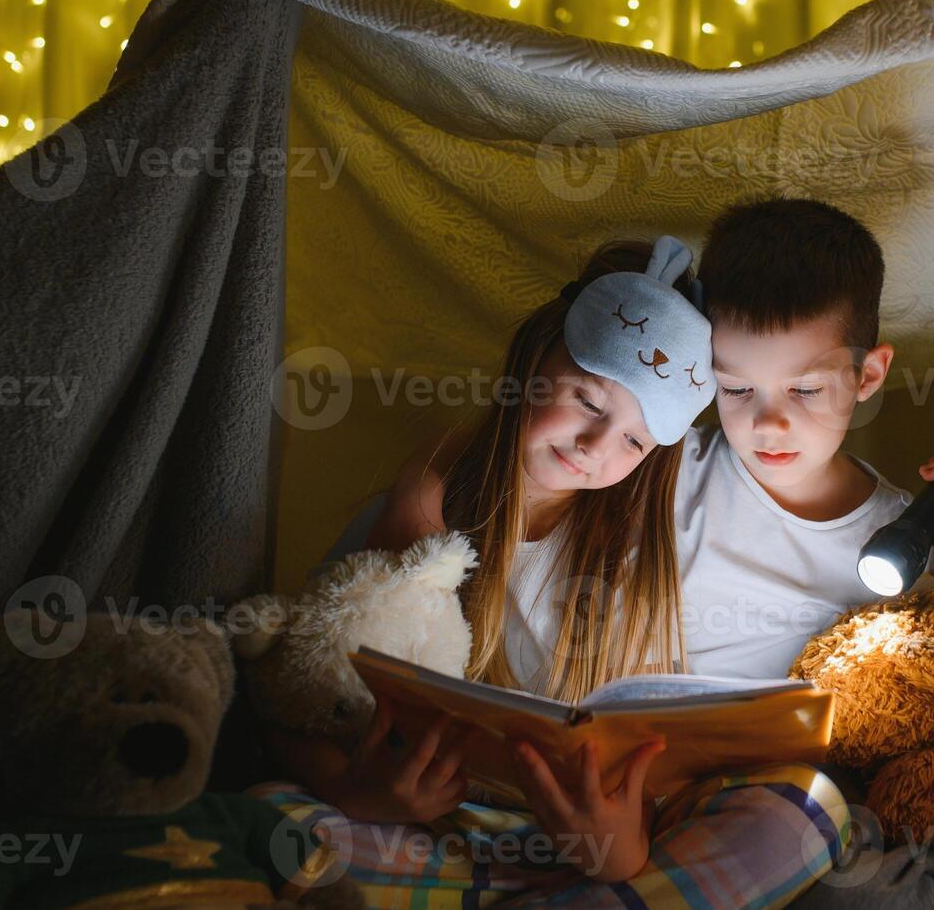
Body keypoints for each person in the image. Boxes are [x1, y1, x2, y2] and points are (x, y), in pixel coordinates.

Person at [254, 236, 853, 907]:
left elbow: (647, 787)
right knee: (274, 817)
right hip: (441, 833)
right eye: (589, 402)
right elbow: (295, 699)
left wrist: (617, 848)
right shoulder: (433, 502)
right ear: (533, 359)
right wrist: (350, 790)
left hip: (598, 853)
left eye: (633, 440)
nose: (595, 447)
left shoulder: (638, 545)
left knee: (804, 812)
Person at [676, 196, 934, 682]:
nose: (768, 424)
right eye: (736, 388)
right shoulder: (676, 473)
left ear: (867, 375)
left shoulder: (901, 542)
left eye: (804, 390)